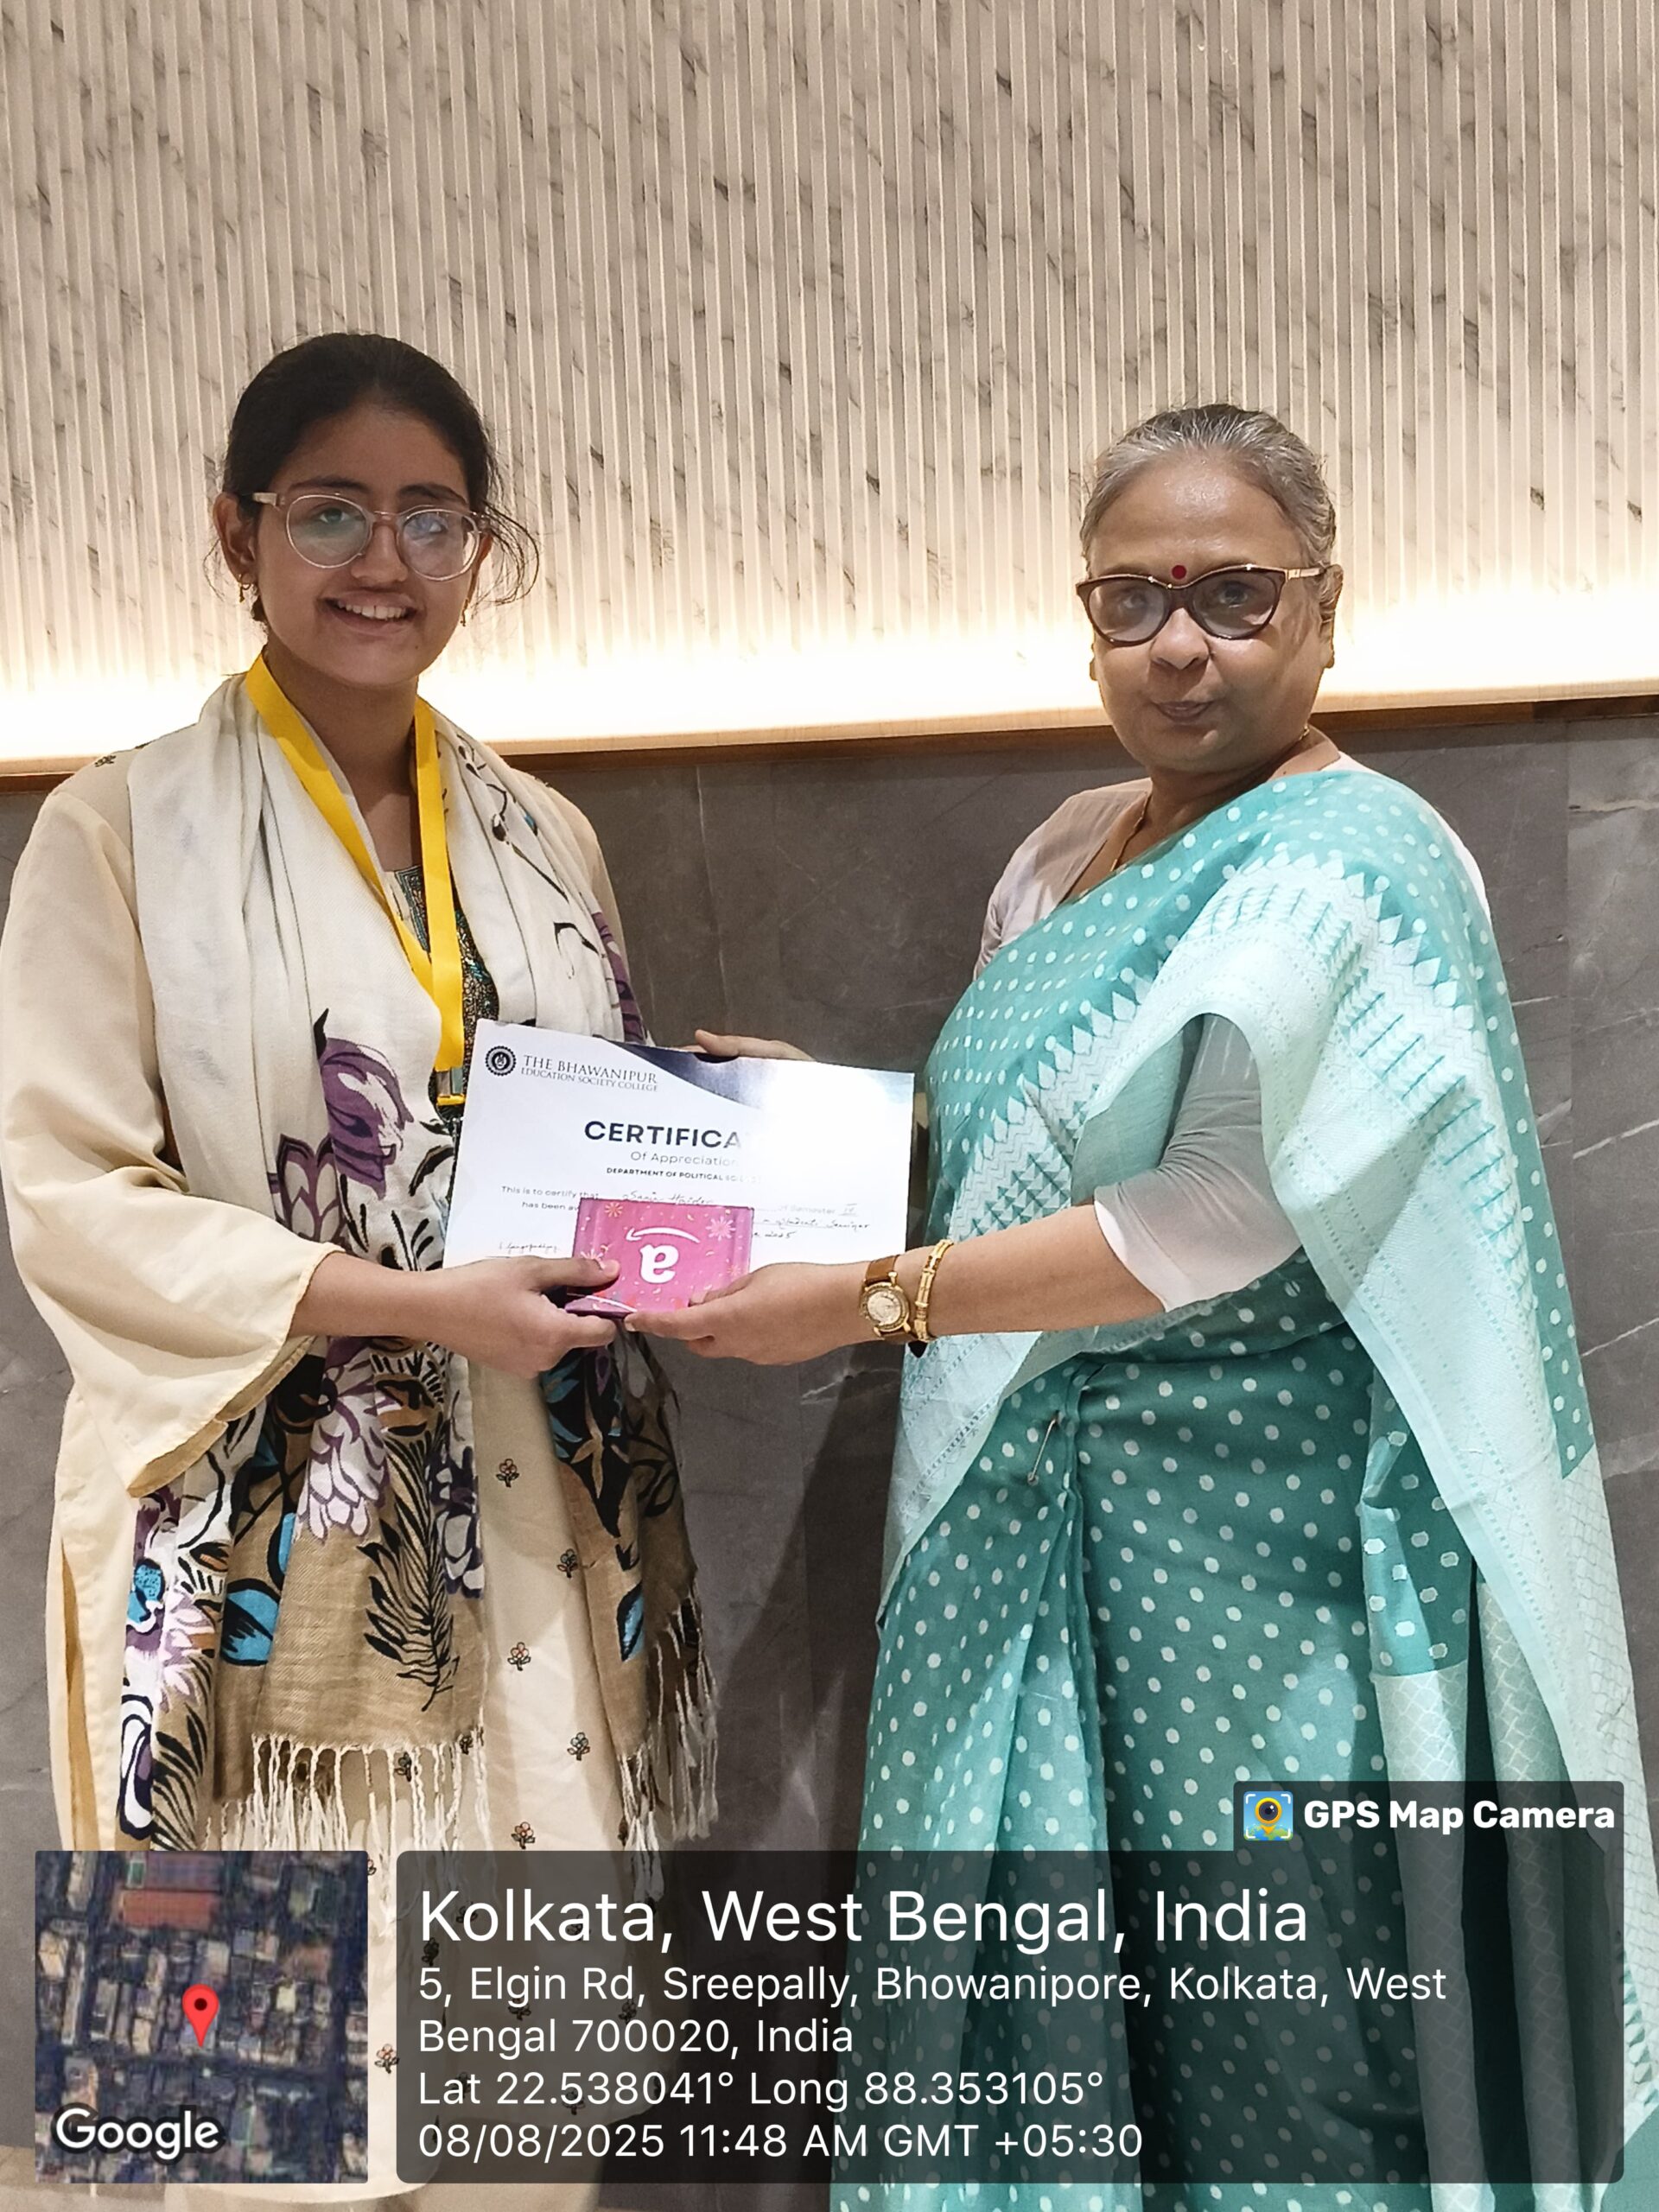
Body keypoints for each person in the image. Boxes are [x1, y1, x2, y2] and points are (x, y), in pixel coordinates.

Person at [632, 403, 1659, 2205]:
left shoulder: (1360, 858)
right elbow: (1050, 1136)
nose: (1181, 643)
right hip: (1033, 1530)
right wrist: (859, 1122)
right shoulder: (1066, 850)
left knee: (1282, 2031)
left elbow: (1215, 1209)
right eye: (1133, 598)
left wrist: (870, 1298)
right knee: (1054, 2006)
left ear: (1324, 609)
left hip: (1263, 1563)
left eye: (1233, 593)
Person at [0, 332, 713, 2207]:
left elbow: (558, 1116)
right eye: (331, 511)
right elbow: (74, 1194)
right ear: (236, 534)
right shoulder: (118, 829)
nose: (383, 560)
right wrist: (407, 1305)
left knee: (520, 2088)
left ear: (482, 546)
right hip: (267, 1525)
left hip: (546, 1491)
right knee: (276, 2099)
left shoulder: (543, 832)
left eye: (431, 515)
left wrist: (723, 1125)